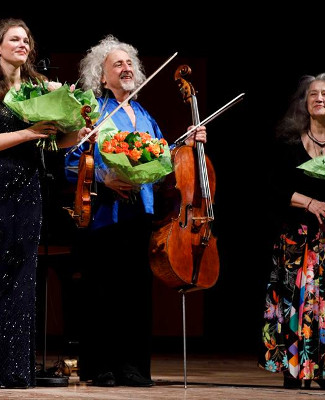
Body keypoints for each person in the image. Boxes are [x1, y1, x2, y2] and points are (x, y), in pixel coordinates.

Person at [65, 35, 207, 387]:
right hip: (102, 214)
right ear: (101, 77)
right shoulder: (92, 110)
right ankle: (100, 366)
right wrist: (104, 176)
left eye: (130, 63)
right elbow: (70, 162)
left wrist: (186, 144)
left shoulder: (145, 115)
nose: (126, 68)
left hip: (140, 214)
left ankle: (133, 366)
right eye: (118, 64)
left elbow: (162, 159)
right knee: (102, 292)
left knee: (134, 293)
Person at [0, 18, 80, 389]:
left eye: (26, 40)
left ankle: (13, 368)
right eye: (14, 39)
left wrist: (76, 124)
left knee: (20, 277)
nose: (23, 45)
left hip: (27, 187)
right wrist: (26, 132)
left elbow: (57, 142)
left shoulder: (40, 88)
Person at [259, 73, 325, 390]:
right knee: (296, 302)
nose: (320, 98)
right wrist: (309, 203)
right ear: (304, 104)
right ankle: (294, 369)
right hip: (298, 235)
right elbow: (271, 189)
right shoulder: (288, 144)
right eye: (313, 95)